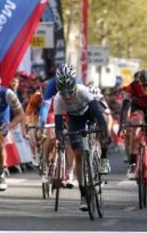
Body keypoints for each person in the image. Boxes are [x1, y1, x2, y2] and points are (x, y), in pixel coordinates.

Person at [53, 63, 109, 211]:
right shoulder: (58, 99)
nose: (68, 98)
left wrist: (104, 129)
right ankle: (83, 194)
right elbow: (59, 126)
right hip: (75, 119)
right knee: (78, 155)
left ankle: (98, 157)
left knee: (99, 126)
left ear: (74, 88)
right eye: (64, 95)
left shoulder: (82, 91)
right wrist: (60, 138)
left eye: (70, 94)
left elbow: (97, 111)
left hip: (89, 113)